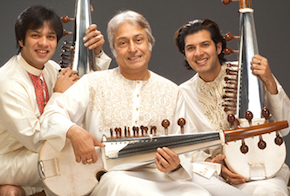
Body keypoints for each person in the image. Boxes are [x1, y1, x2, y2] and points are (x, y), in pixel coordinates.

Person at [39, 10, 211, 196]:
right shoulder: (93, 83)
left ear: (149, 43)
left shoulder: (172, 91)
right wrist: (73, 131)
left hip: (160, 177)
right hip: (112, 177)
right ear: (113, 50)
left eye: (138, 40)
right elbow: (50, 116)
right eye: (123, 43)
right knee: (124, 188)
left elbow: (183, 148)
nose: (132, 49)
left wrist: (175, 164)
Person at [0, 5, 111, 196]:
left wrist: (97, 53)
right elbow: (35, 138)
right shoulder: (8, 81)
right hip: (10, 159)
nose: (44, 43)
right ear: (21, 39)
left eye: (50, 37)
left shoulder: (50, 68)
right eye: (36, 35)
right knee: (76, 160)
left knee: (82, 156)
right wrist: (58, 95)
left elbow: (90, 92)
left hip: (36, 156)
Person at [173, 18, 290, 196]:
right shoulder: (184, 93)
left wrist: (268, 80)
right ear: (185, 54)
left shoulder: (250, 74)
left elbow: (285, 125)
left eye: (205, 44)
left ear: (218, 47)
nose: (198, 53)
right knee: (190, 180)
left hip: (262, 169)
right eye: (190, 48)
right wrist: (215, 165)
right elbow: (188, 151)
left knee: (270, 192)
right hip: (217, 177)